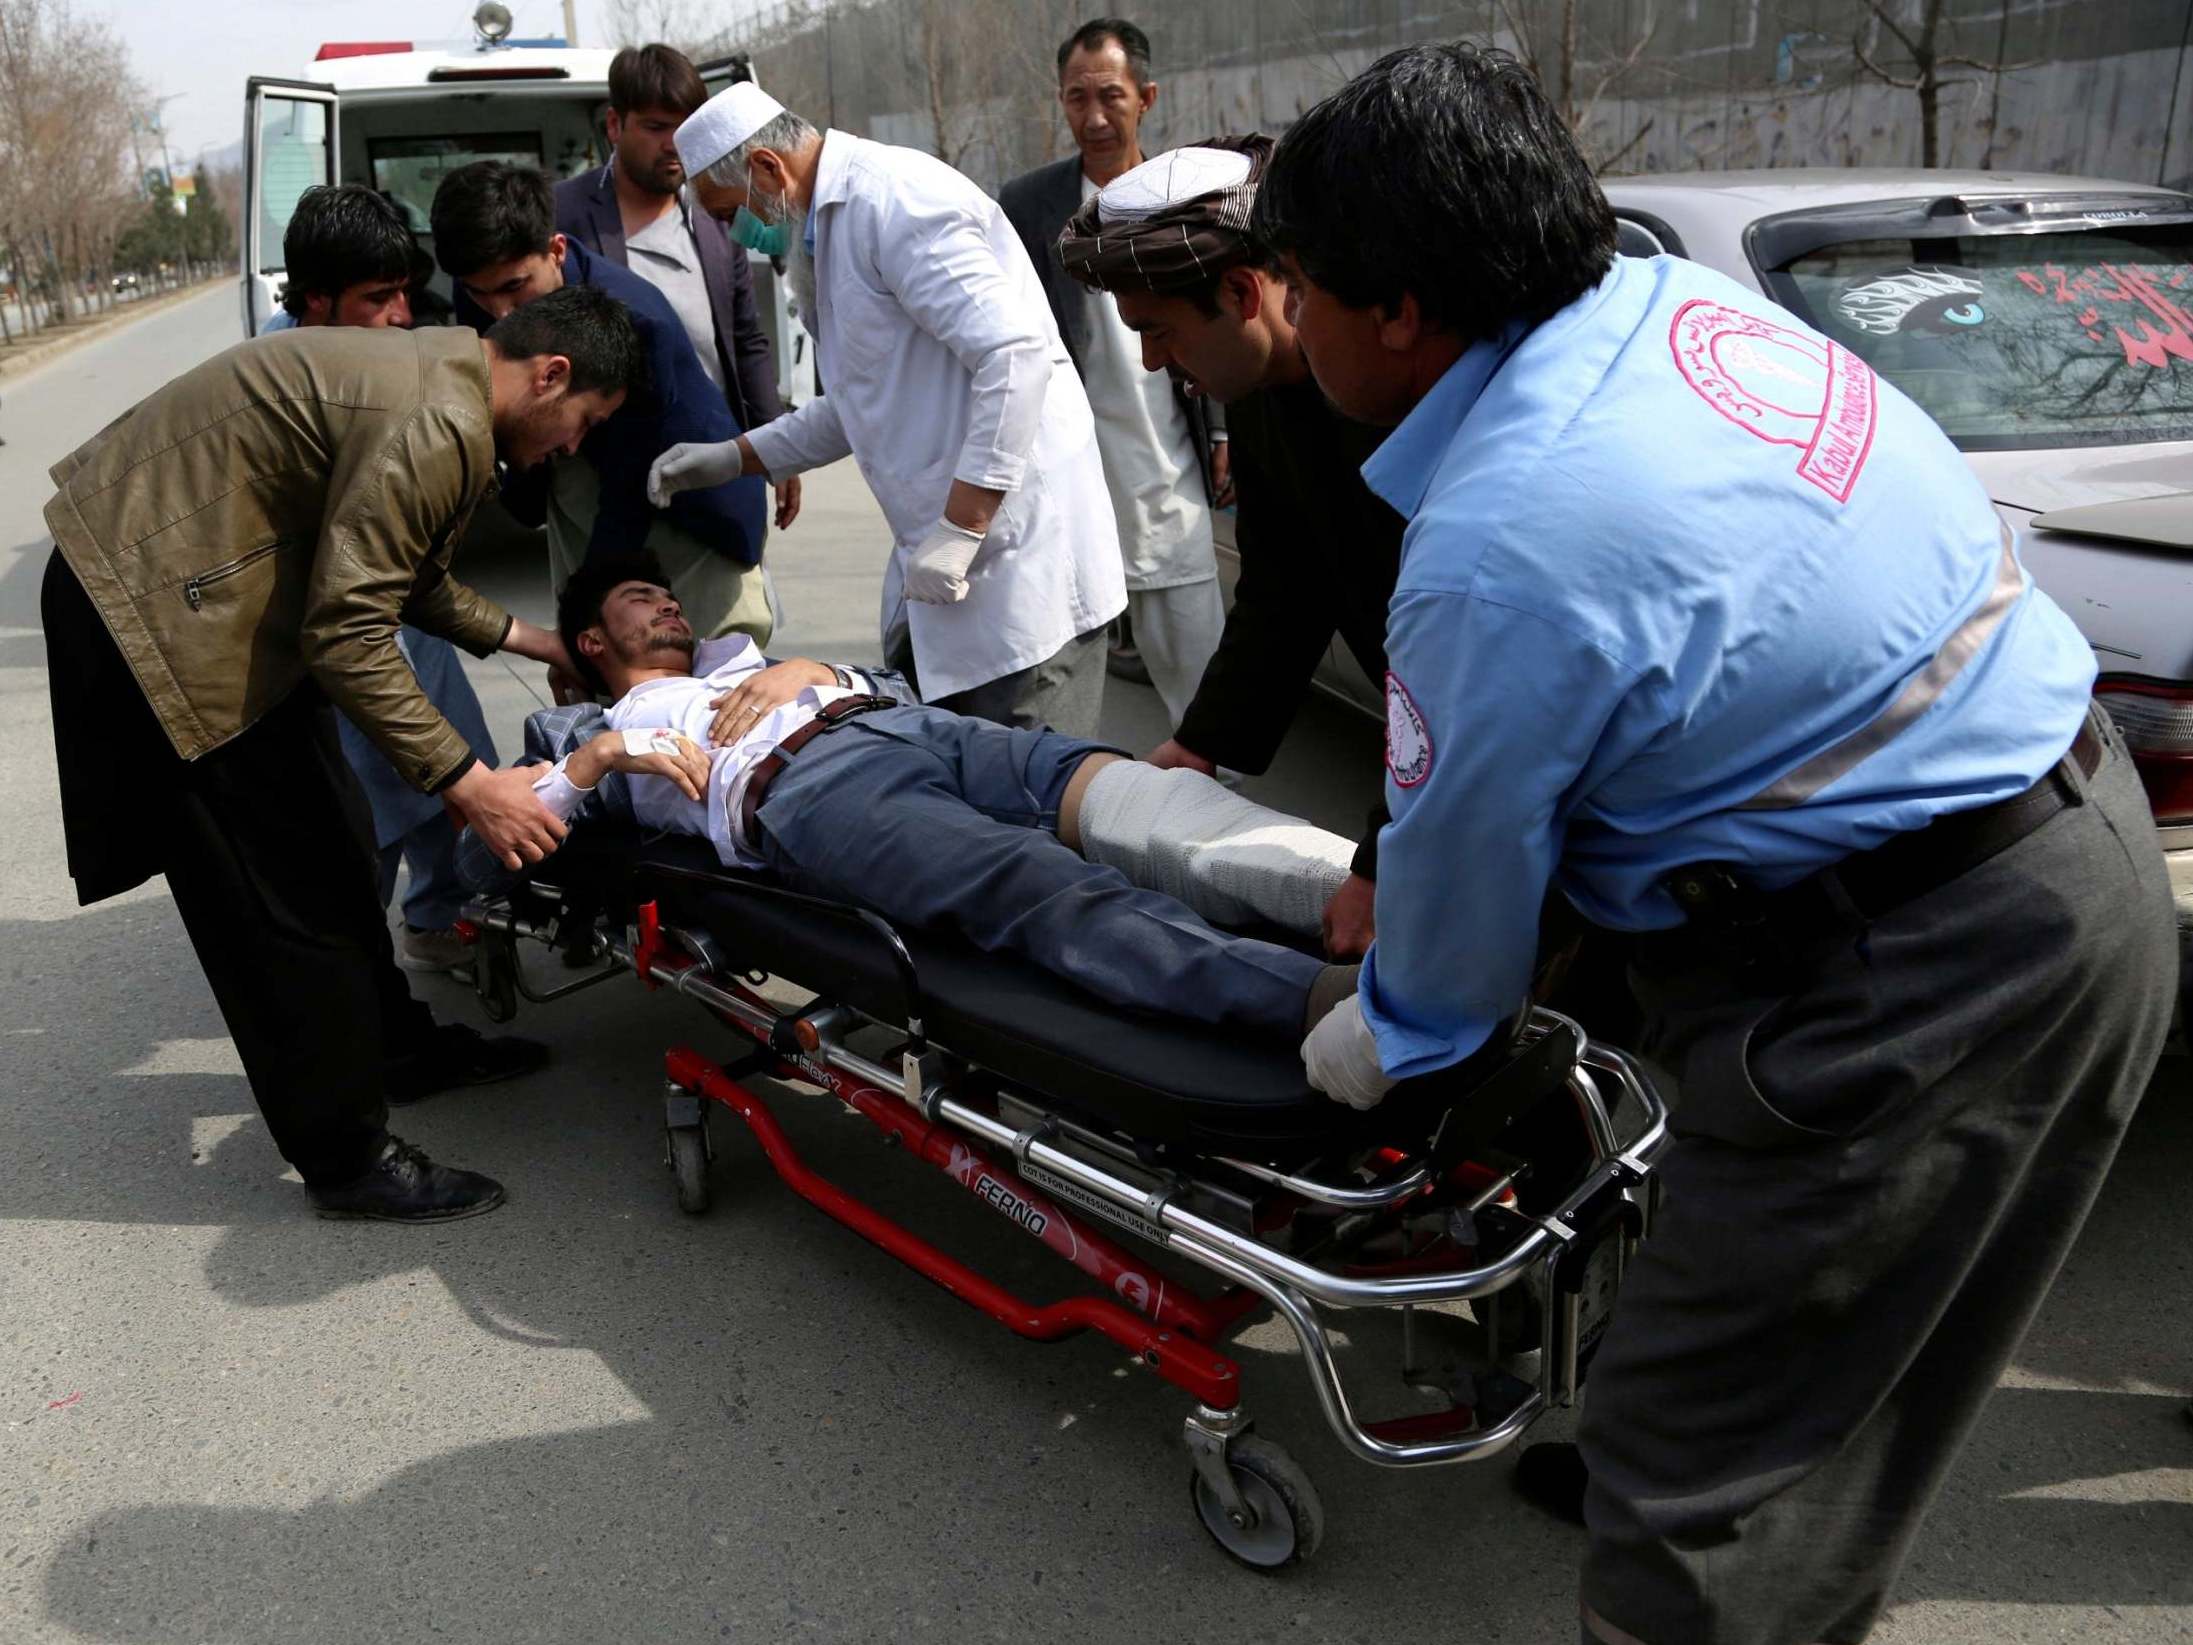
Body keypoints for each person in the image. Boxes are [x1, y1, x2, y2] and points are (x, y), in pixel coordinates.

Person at [1254, 43, 2174, 1645]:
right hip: (2057, 846)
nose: (1293, 314)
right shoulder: (1683, 313)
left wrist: (1384, 1037)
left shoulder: (1501, 543)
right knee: (1812, 1365)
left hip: (1905, 968)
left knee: (1711, 1504)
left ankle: (1703, 1531)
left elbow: (1459, 927)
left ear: (1396, 308)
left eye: (1301, 280)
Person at [41, 286, 649, 1222]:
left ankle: (390, 1049)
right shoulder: (435, 420)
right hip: (152, 608)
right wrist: (472, 784)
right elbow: (350, 633)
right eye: (583, 422)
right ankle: (345, 1154)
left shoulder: (445, 381)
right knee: (278, 897)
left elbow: (400, 574)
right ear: (551, 374)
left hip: (205, 588)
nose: (571, 445)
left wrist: (538, 643)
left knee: (337, 840)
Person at [461, 552, 1359, 1036]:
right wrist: (603, 758)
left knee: (1143, 802)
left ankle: (1389, 901)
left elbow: (896, 687)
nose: (666, 603)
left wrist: (817, 668)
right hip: (812, 791)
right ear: (589, 639)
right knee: (1043, 886)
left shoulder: (746, 662)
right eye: (638, 595)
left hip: (914, 728)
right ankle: (1323, 1001)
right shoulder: (582, 731)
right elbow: (490, 844)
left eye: (665, 590)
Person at [648, 82, 1127, 737]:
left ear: (766, 167)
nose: (738, 233)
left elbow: (1015, 356)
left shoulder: (893, 200)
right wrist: (734, 457)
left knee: (1030, 794)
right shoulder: (821, 233)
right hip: (948, 567)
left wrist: (963, 524)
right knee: (964, 776)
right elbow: (862, 400)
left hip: (1020, 563)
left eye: (731, 213)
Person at [1057, 136, 1403, 959]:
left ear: (1246, 291)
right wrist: (1203, 741)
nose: (1149, 361)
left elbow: (1467, 668)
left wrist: (1390, 861)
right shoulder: (1260, 394)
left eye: (1160, 331)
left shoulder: (1389, 394)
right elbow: (1285, 587)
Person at [264, 181, 510, 974]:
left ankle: (442, 915)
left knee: (457, 751)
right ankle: (352, 973)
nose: (402, 317)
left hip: (401, 606)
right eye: (379, 299)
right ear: (314, 300)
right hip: (337, 629)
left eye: (405, 294)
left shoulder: (382, 355)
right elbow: (337, 603)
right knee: (370, 800)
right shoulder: (276, 381)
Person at [432, 160, 772, 643]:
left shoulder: (636, 323)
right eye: (480, 293)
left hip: (686, 513)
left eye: (514, 287)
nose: (502, 313)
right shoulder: (485, 293)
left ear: (555, 249)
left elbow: (630, 492)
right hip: (582, 497)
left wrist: (581, 622)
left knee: (698, 675)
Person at [1000, 19, 1226, 731]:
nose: (1093, 117)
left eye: (1110, 96)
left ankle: (1220, 808)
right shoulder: (1028, 205)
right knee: (1056, 691)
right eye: (1075, 98)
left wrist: (1222, 428)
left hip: (1162, 469)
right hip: (1065, 479)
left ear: (1146, 98)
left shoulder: (1191, 194)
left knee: (1200, 681)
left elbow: (1226, 323)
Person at [555, 43, 800, 532]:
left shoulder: (714, 213)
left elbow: (747, 340)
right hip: (604, 486)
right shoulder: (565, 217)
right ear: (613, 126)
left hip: (716, 471)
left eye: (684, 127)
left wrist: (776, 445)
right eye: (655, 127)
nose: (674, 144)